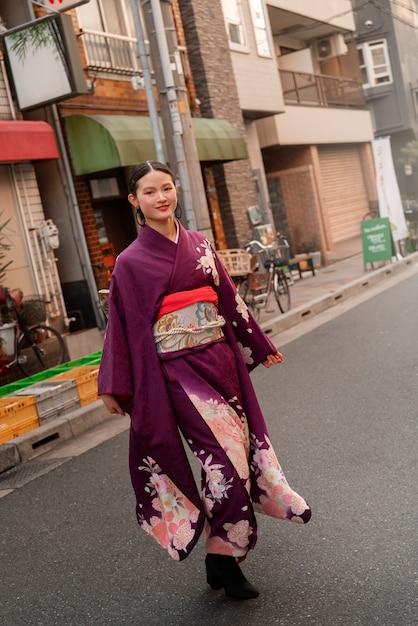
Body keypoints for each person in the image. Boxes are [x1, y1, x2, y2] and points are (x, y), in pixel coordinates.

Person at [98, 160, 311, 600]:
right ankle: (226, 561)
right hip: (177, 373)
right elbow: (123, 326)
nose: (161, 197)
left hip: (219, 361)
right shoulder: (129, 263)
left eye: (167, 188)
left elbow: (228, 299)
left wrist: (256, 341)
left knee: (235, 459)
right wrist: (114, 385)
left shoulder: (198, 244)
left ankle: (218, 558)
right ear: (134, 200)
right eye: (150, 191)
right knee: (225, 467)